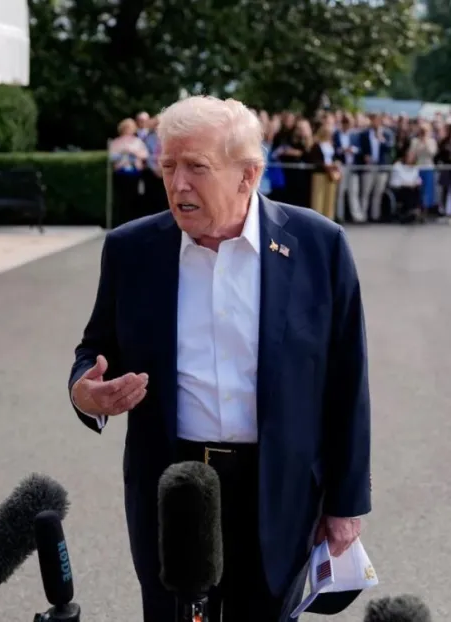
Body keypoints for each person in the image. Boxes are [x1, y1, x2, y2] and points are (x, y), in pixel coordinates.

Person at [67, 95, 372, 622]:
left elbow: (349, 382)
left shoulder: (318, 245)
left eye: (196, 167)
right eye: (168, 166)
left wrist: (346, 502)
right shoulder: (132, 250)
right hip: (174, 485)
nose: (177, 183)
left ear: (247, 175)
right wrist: (85, 392)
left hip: (277, 487)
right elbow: (95, 349)